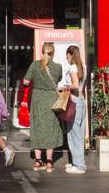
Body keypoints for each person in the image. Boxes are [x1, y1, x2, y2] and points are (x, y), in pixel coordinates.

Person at [23, 41, 64, 171]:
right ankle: (50, 163)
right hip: (51, 100)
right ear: (53, 53)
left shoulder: (34, 65)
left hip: (37, 100)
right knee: (50, 129)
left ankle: (38, 161)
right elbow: (58, 80)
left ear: (42, 51)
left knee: (37, 127)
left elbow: (25, 81)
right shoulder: (58, 67)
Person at [59, 45, 88, 174]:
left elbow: (75, 85)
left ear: (71, 55)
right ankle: (77, 162)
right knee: (79, 134)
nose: (66, 58)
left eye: (67, 55)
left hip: (74, 101)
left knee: (73, 134)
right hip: (82, 101)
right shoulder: (83, 67)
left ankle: (79, 165)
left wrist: (65, 87)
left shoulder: (73, 67)